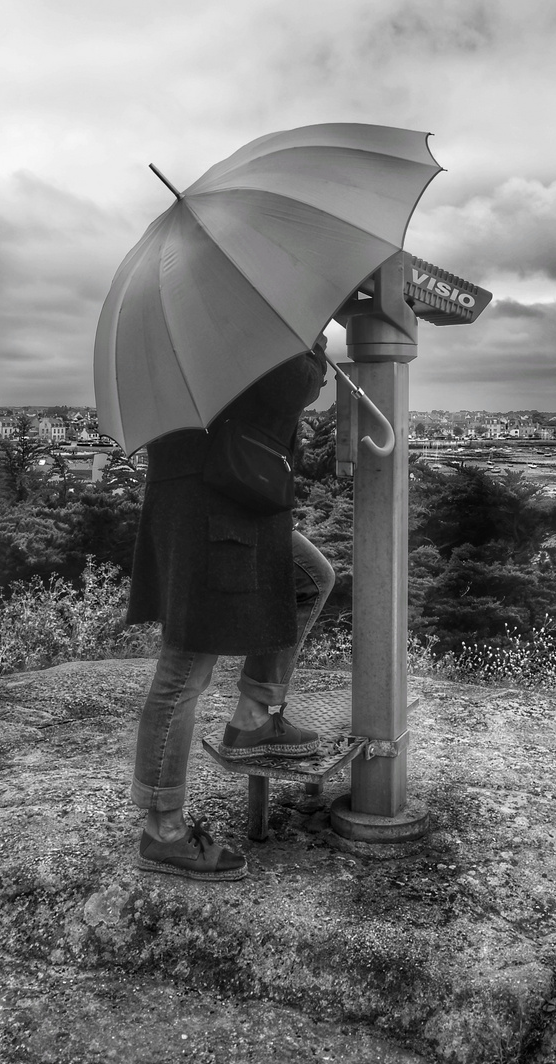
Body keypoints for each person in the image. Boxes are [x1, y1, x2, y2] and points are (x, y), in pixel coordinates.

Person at [125, 338, 336, 882]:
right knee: (182, 671)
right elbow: (291, 384)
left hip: (226, 494)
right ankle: (163, 831)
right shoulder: (237, 318)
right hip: (211, 504)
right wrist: (312, 347)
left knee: (312, 578)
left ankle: (254, 718)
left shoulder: (192, 317)